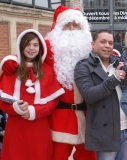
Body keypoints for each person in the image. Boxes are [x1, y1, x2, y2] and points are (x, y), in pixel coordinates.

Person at [74, 29, 127, 160]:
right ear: (92, 44)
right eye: (103, 42)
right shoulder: (83, 66)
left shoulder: (120, 61)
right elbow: (89, 95)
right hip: (104, 133)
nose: (107, 45)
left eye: (111, 43)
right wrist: (114, 79)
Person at [0, 29, 65, 160]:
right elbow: (2, 102)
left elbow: (53, 102)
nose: (31, 48)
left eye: (35, 45)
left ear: (40, 48)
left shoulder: (47, 70)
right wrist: (15, 108)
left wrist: (34, 111)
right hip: (15, 126)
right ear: (21, 46)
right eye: (27, 44)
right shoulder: (12, 69)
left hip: (39, 127)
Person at [44, 5, 96, 160]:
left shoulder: (90, 47)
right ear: (59, 28)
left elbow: (111, 54)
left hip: (87, 117)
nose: (72, 28)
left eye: (76, 24)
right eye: (67, 25)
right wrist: (10, 60)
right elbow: (26, 52)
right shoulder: (48, 47)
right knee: (58, 156)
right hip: (60, 118)